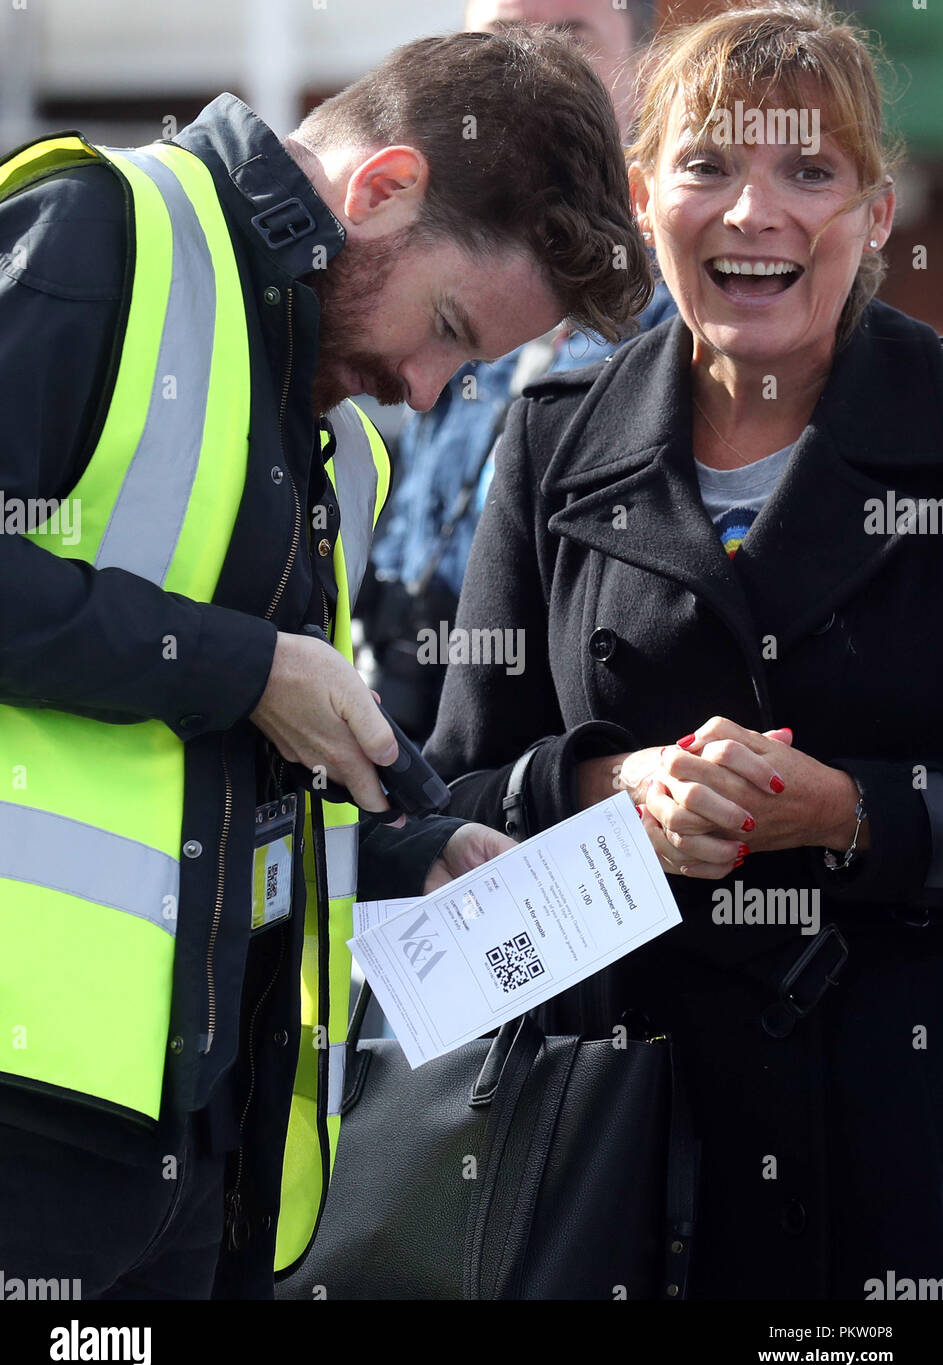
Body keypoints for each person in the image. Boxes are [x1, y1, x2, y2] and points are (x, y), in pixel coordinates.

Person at [0, 28, 648, 1299]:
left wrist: (411, 849)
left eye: (469, 364)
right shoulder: (98, 229)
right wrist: (246, 666)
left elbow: (200, 770)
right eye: (449, 328)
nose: (422, 388)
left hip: (205, 1153)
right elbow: (227, 686)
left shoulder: (340, 439)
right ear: (383, 185)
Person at [425, 1, 943, 1299]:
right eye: (705, 165)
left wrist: (856, 813)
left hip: (897, 1145)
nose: (750, 211)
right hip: (613, 1145)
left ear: (873, 217)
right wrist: (612, 790)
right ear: (642, 195)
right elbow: (447, 799)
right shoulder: (549, 440)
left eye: (806, 171)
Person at [361, 0, 675, 744]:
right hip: (408, 710)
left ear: (642, 73)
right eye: (500, 42)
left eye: (568, 40)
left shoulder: (691, 314)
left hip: (558, 751)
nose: (529, 70)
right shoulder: (422, 251)